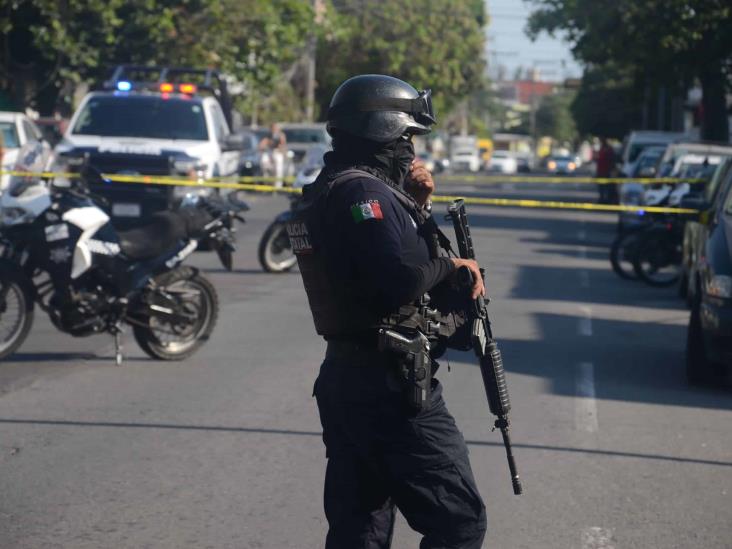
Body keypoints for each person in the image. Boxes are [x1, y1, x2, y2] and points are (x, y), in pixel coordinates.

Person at [291, 74, 488, 548]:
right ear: (381, 132)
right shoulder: (365, 195)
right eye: (407, 138)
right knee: (458, 521)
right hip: (391, 390)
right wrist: (452, 265)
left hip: (350, 382)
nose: (412, 151)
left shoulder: (333, 188)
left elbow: (374, 263)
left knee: (361, 528)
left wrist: (416, 209)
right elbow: (398, 278)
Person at [258, 123, 287, 188]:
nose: (275, 129)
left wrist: (282, 149)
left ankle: (278, 186)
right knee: (264, 161)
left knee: (279, 168)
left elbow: (283, 144)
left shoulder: (281, 135)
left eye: (276, 128)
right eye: (273, 128)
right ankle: (267, 182)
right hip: (269, 151)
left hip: (277, 152)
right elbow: (262, 144)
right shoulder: (268, 135)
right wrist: (262, 147)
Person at [596, 137, 616, 203]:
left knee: (607, 187)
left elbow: (611, 161)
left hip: (607, 172)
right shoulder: (602, 150)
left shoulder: (609, 150)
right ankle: (602, 199)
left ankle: (607, 199)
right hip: (601, 172)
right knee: (601, 187)